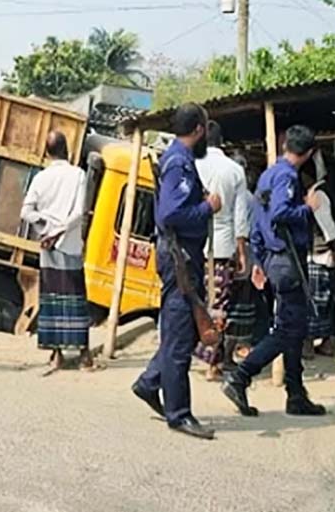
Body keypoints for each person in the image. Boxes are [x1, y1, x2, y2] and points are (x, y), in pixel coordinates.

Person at [222, 125, 327, 418]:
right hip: (287, 259)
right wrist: (308, 208)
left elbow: (258, 220)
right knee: (288, 329)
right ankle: (240, 376)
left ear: (285, 145)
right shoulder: (288, 177)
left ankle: (296, 395)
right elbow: (281, 212)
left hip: (273, 259)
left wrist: (258, 260)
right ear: (307, 153)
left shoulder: (268, 174)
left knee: (295, 326)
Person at [131, 103, 221, 440]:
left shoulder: (177, 159)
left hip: (180, 255)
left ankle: (150, 381)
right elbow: (171, 214)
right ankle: (179, 414)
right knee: (180, 336)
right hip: (179, 257)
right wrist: (207, 207)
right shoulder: (179, 162)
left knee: (182, 330)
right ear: (198, 129)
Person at [21, 130, 92, 373]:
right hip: (69, 245)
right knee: (75, 300)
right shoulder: (79, 175)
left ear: (48, 151)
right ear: (67, 150)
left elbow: (26, 212)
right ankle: (84, 356)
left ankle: (57, 355)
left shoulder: (41, 178)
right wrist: (60, 232)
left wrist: (47, 228)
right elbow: (79, 213)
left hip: (48, 246)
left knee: (52, 299)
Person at [193, 120, 251, 379]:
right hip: (223, 247)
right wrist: (242, 253)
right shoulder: (234, 170)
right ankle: (213, 364)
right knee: (219, 304)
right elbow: (240, 218)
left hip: (193, 245)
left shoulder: (193, 164)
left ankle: (188, 354)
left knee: (194, 301)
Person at [303, 152, 335, 359]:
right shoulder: (325, 191)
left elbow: (328, 226)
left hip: (318, 253)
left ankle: (309, 343)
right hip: (325, 254)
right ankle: (325, 342)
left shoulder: (316, 194)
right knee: (324, 300)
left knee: (314, 300)